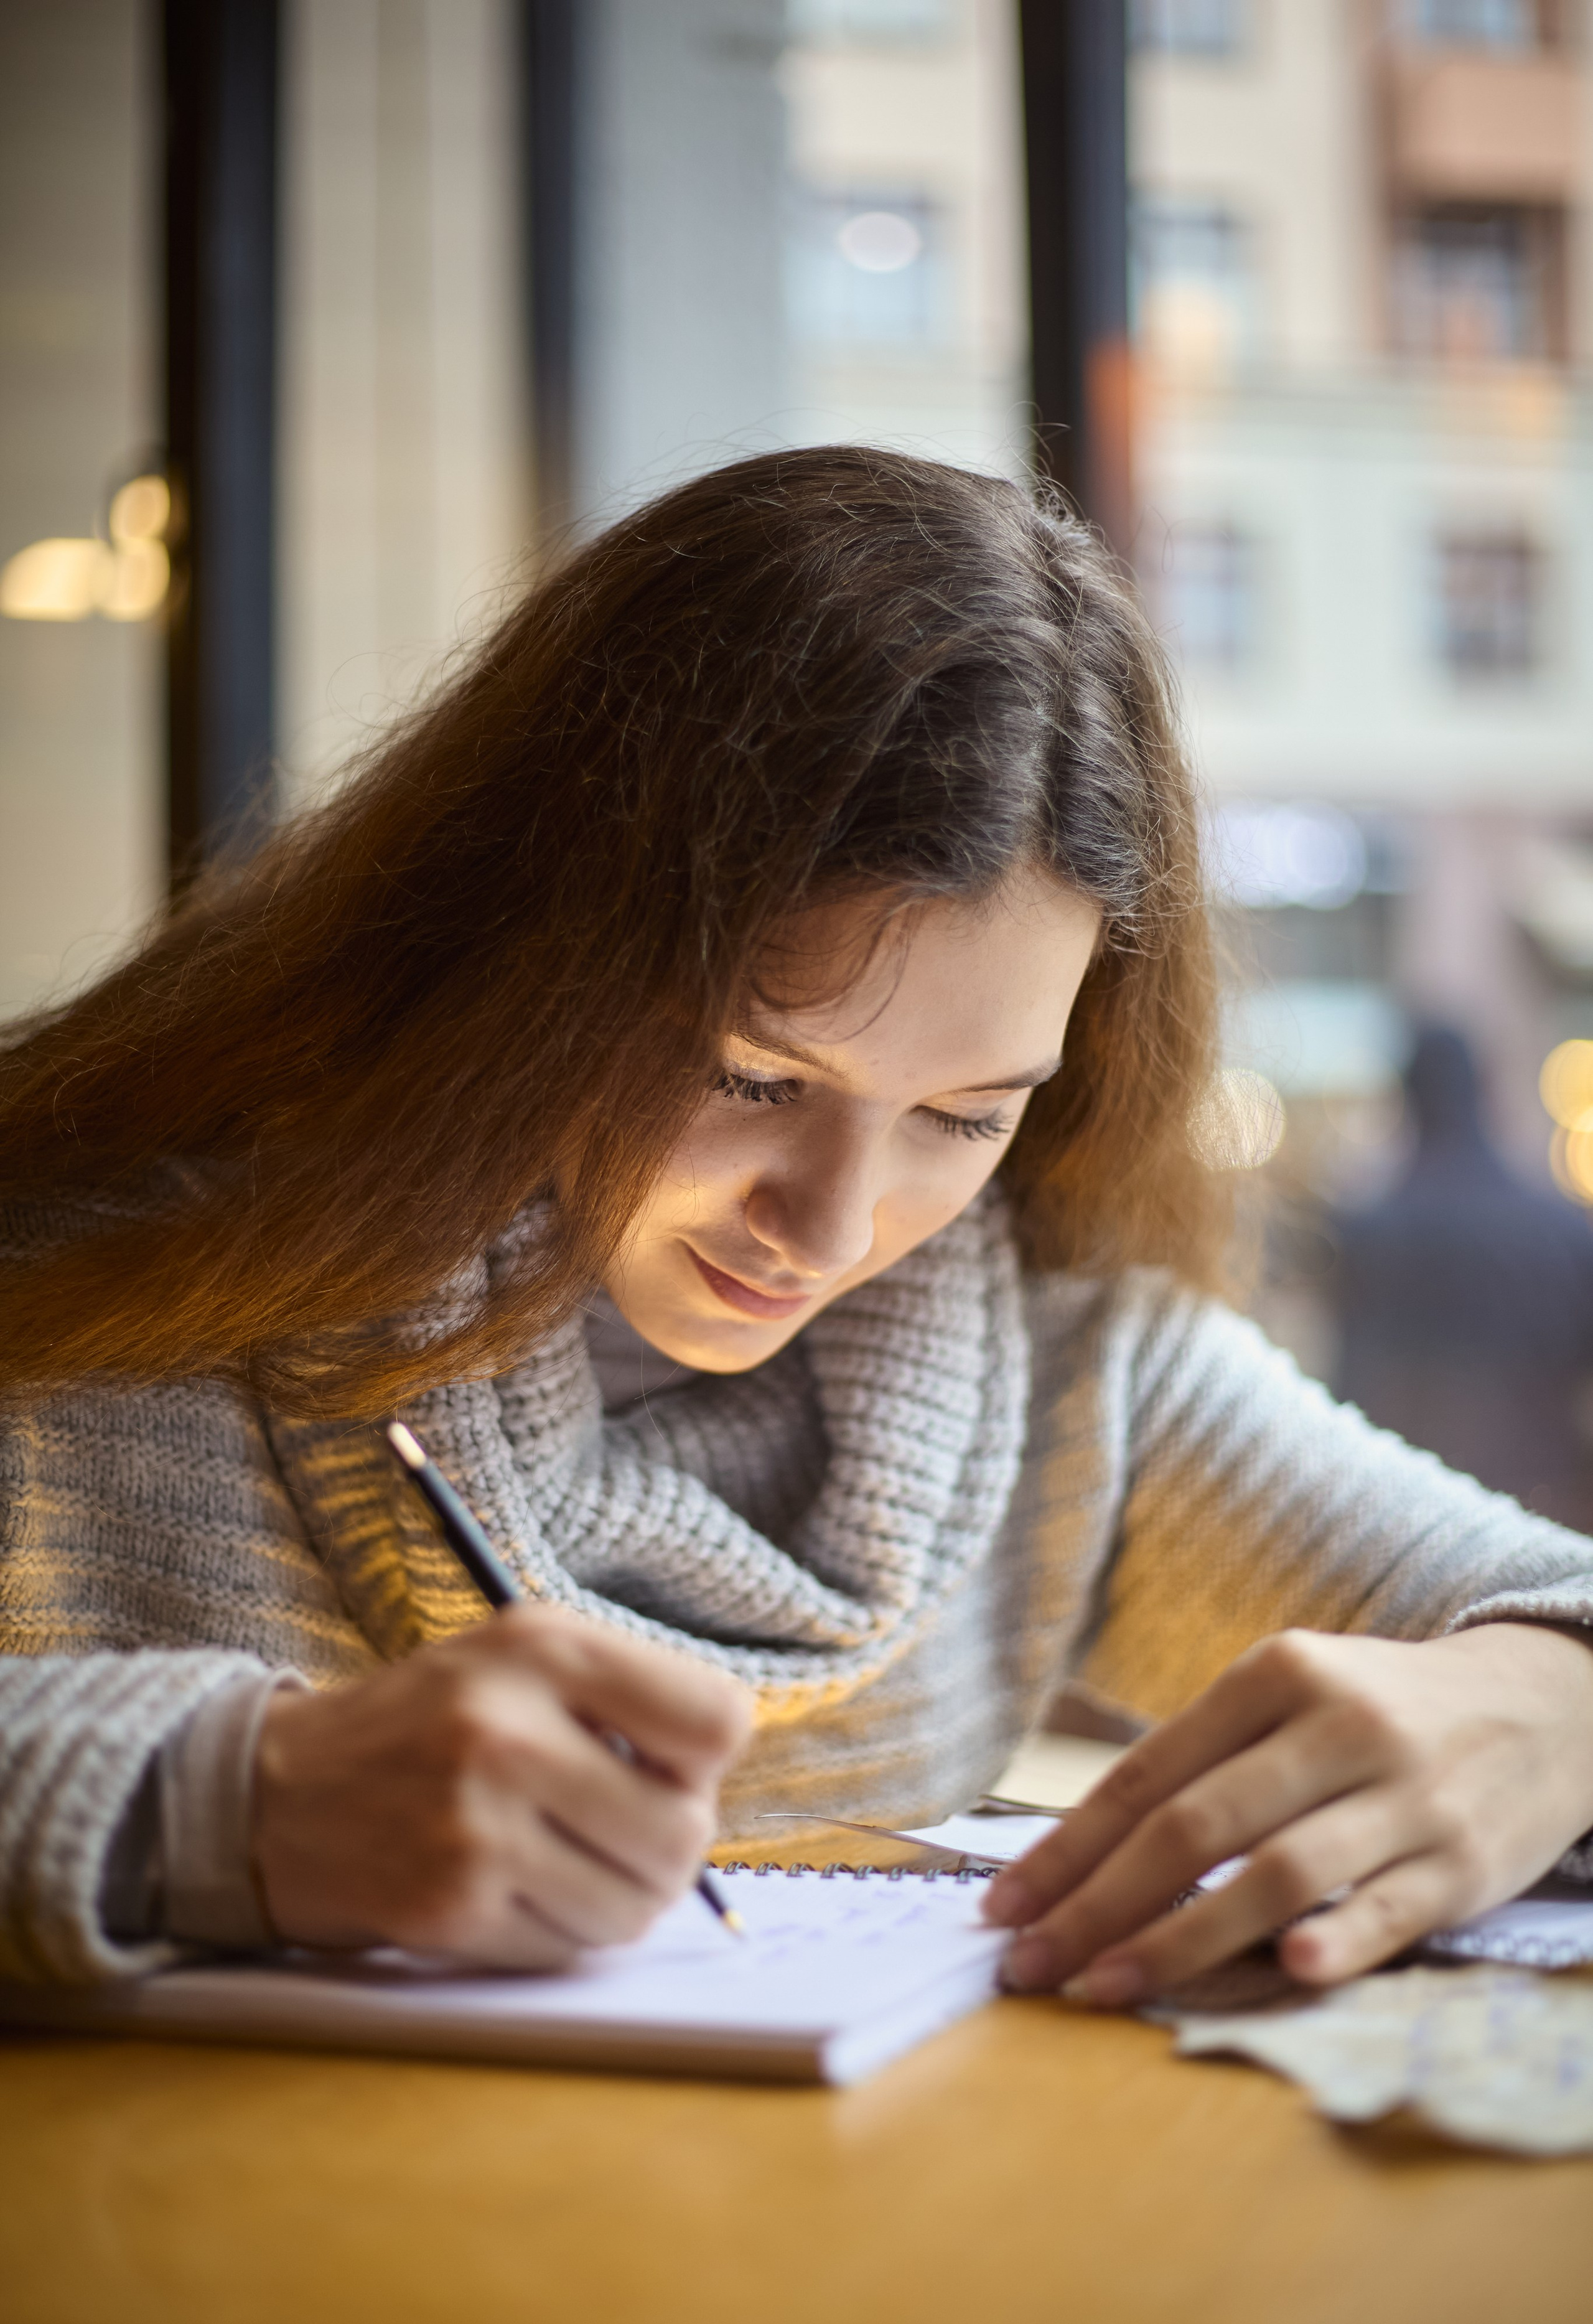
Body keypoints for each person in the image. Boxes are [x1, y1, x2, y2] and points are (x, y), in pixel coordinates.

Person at [4, 449, 1593, 2012]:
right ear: (527, 955)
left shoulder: (1058, 1379)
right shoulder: (98, 1300)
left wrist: (1547, 1705)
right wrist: (221, 1803)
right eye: (749, 1074)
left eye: (963, 1115)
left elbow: (1548, 1604)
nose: (832, 1223)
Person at [1334, 1024, 1593, 1534]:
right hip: (1545, 1509)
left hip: (1415, 1525)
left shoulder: (1372, 1230)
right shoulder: (1560, 1228)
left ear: (1407, 1099)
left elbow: (1354, 1388)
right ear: (1485, 1093)